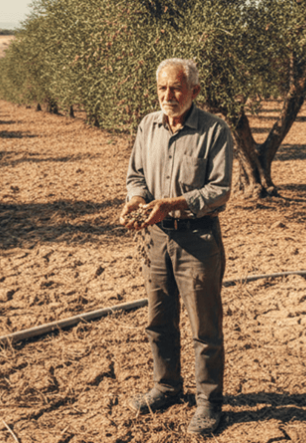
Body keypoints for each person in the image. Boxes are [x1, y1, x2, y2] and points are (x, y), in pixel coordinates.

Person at [119, 58, 233, 435]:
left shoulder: (214, 131)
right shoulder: (148, 125)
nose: (168, 96)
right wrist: (136, 201)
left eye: (176, 88)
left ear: (194, 92)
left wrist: (173, 204)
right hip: (155, 239)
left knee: (205, 328)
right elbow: (136, 174)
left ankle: (209, 404)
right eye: (162, 89)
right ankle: (166, 386)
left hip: (197, 240)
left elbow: (219, 190)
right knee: (158, 320)